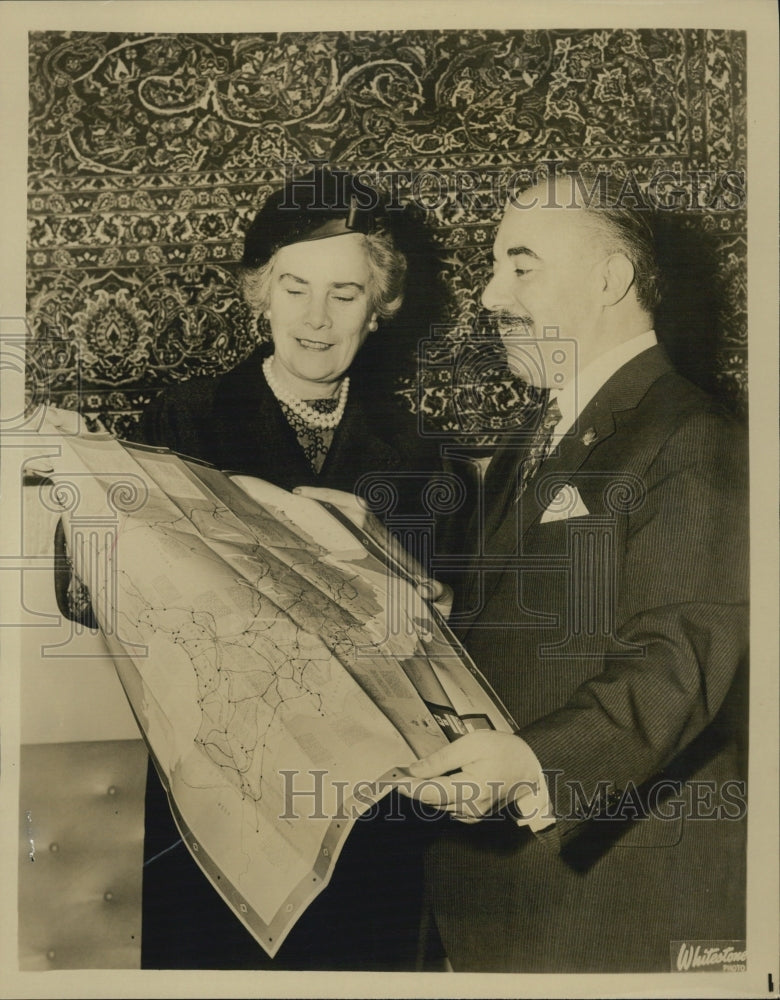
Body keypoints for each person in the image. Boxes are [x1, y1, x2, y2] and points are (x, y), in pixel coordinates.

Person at [52, 167, 446, 970]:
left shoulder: (414, 455)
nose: (315, 316)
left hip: (366, 816)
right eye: (294, 287)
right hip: (219, 804)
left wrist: (409, 584)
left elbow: (437, 646)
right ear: (259, 292)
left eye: (345, 293)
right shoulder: (185, 419)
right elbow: (85, 593)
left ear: (380, 310)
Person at [399, 172, 749, 973]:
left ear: (610, 277)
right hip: (508, 898)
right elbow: (562, 606)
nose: (490, 295)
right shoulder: (545, 428)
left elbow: (677, 661)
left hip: (608, 902)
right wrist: (440, 602)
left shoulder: (692, 435)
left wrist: (530, 762)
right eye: (493, 266)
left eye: (521, 265)